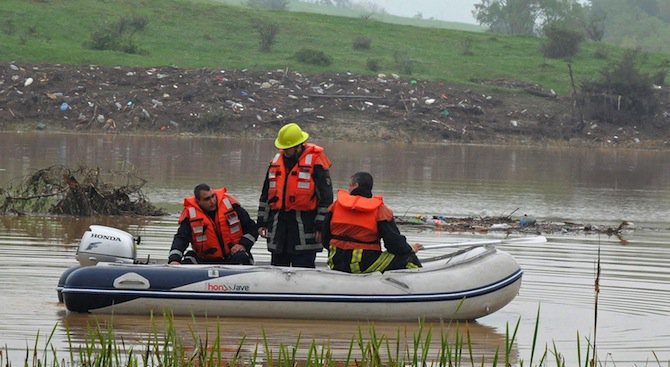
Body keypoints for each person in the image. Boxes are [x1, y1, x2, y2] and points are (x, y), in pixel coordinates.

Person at [257, 122, 334, 268]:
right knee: (278, 268)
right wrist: (262, 222)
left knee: (304, 269)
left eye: (287, 149)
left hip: (305, 226)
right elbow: (266, 195)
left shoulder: (316, 164)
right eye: (283, 148)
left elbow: (326, 199)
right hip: (279, 228)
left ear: (298, 145)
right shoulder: (275, 163)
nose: (284, 152)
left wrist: (320, 225)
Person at [322, 172, 423, 273]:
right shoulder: (379, 210)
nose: (348, 189)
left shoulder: (336, 206)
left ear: (356, 185)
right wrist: (410, 249)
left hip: (336, 262)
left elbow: (325, 239)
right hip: (362, 263)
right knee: (408, 257)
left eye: (349, 185)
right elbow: (394, 244)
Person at [169, 184, 257, 265]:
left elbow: (252, 229)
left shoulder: (231, 207)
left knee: (242, 257)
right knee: (189, 259)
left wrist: (243, 244)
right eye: (207, 199)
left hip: (233, 255)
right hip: (205, 259)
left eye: (213, 196)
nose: (212, 201)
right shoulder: (191, 215)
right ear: (198, 201)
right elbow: (181, 238)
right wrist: (174, 260)